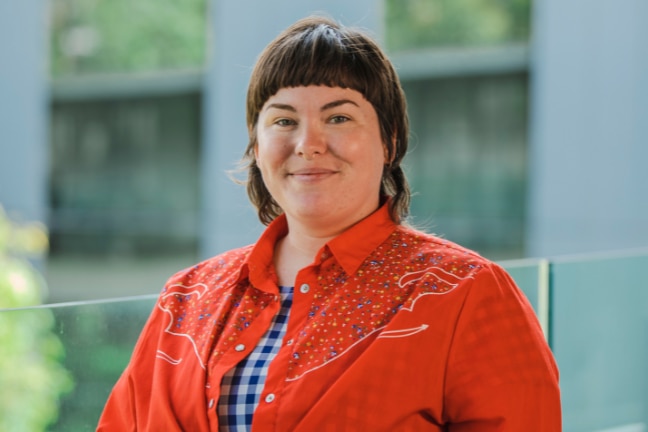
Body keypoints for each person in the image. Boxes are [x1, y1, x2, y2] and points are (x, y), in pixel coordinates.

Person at [97, 15, 561, 431]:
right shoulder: (185, 296)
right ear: (257, 148)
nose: (308, 143)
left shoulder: (468, 294)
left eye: (338, 117)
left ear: (389, 141)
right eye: (283, 121)